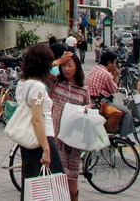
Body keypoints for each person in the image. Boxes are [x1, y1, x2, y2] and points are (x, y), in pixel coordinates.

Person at [16, 44, 66, 200]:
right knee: (55, 187)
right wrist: (46, 149)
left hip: (28, 139)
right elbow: (38, 120)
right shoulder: (37, 87)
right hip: (43, 138)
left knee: (31, 186)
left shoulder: (22, 83)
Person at [50, 53, 90, 201]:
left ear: (77, 67)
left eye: (70, 66)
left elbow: (88, 109)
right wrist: (56, 62)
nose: (66, 69)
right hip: (55, 136)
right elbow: (39, 70)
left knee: (72, 176)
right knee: (56, 175)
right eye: (64, 66)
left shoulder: (83, 90)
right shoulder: (55, 83)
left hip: (73, 139)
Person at [85, 50, 134, 138]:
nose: (115, 65)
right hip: (101, 101)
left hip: (92, 100)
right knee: (126, 113)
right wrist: (115, 76)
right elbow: (114, 90)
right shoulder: (106, 74)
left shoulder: (95, 69)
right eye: (114, 63)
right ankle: (123, 138)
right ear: (109, 63)